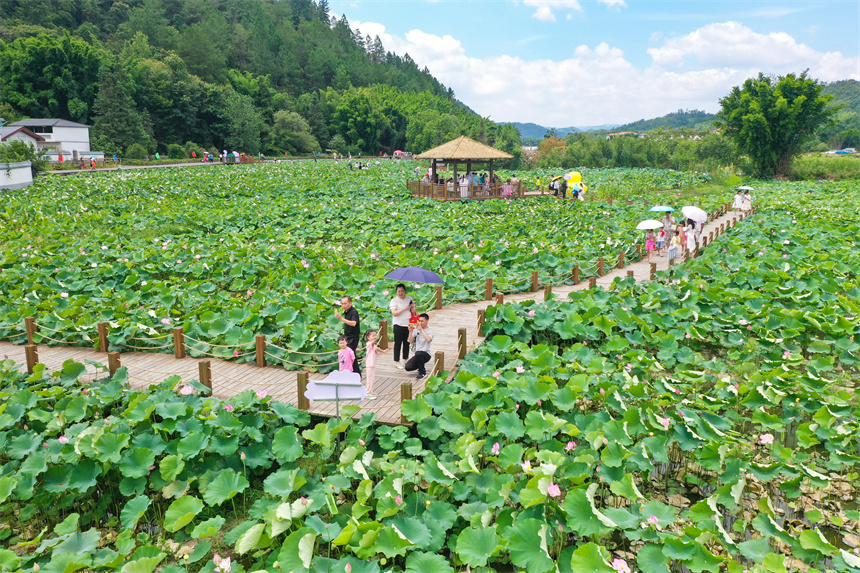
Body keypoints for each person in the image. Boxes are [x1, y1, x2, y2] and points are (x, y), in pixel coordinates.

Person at [334, 296, 361, 375]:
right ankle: (354, 374)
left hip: (353, 337)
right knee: (351, 356)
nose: (343, 305)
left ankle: (356, 374)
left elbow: (354, 323)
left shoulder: (353, 312)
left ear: (350, 303)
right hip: (348, 336)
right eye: (342, 303)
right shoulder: (347, 311)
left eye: (345, 303)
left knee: (350, 356)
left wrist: (341, 319)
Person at [389, 284, 412, 369]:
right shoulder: (394, 301)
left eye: (402, 291)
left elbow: (412, 310)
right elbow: (394, 313)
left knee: (407, 342)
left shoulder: (409, 299)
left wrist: (412, 307)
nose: (400, 293)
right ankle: (397, 361)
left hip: (408, 324)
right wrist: (404, 308)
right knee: (398, 343)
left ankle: (406, 359)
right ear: (396, 292)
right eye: (399, 291)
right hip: (398, 324)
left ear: (405, 291)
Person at [405, 313, 433, 380]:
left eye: (422, 321)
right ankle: (421, 365)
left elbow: (428, 339)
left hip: (426, 354)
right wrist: (410, 331)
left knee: (419, 353)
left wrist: (421, 330)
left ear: (427, 321)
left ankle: (423, 372)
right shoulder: (416, 330)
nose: (420, 323)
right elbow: (411, 341)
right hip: (418, 354)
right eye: (419, 321)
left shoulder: (430, 331)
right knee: (408, 367)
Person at [364, 329, 386, 399]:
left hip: (373, 364)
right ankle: (368, 393)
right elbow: (373, 343)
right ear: (368, 337)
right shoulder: (368, 344)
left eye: (375, 335)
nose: (374, 337)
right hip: (369, 364)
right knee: (369, 378)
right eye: (372, 335)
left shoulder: (373, 345)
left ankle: (371, 391)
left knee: (372, 378)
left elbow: (377, 348)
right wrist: (375, 339)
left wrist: (383, 351)